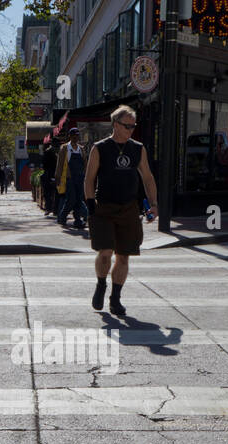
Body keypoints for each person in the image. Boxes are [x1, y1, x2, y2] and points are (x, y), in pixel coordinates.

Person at [83, 104, 158, 316]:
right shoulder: (100, 148)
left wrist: (154, 204)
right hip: (103, 208)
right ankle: (100, 284)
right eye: (127, 126)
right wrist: (90, 204)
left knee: (124, 257)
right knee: (105, 253)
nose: (131, 130)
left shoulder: (138, 148)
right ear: (115, 124)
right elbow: (89, 179)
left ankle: (115, 298)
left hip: (129, 209)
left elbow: (148, 177)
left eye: (133, 126)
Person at [56, 127, 88, 228]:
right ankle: (62, 216)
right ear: (70, 136)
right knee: (71, 199)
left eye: (77, 135)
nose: (76, 137)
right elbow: (60, 164)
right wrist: (58, 177)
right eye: (74, 135)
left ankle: (77, 220)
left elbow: (85, 164)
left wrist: (87, 177)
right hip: (69, 178)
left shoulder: (81, 149)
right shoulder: (64, 148)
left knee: (78, 199)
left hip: (80, 178)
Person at [40, 142, 57, 216]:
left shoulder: (47, 152)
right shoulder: (58, 152)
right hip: (56, 175)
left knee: (47, 193)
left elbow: (44, 165)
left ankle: (48, 208)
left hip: (48, 175)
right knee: (56, 193)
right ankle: (55, 209)